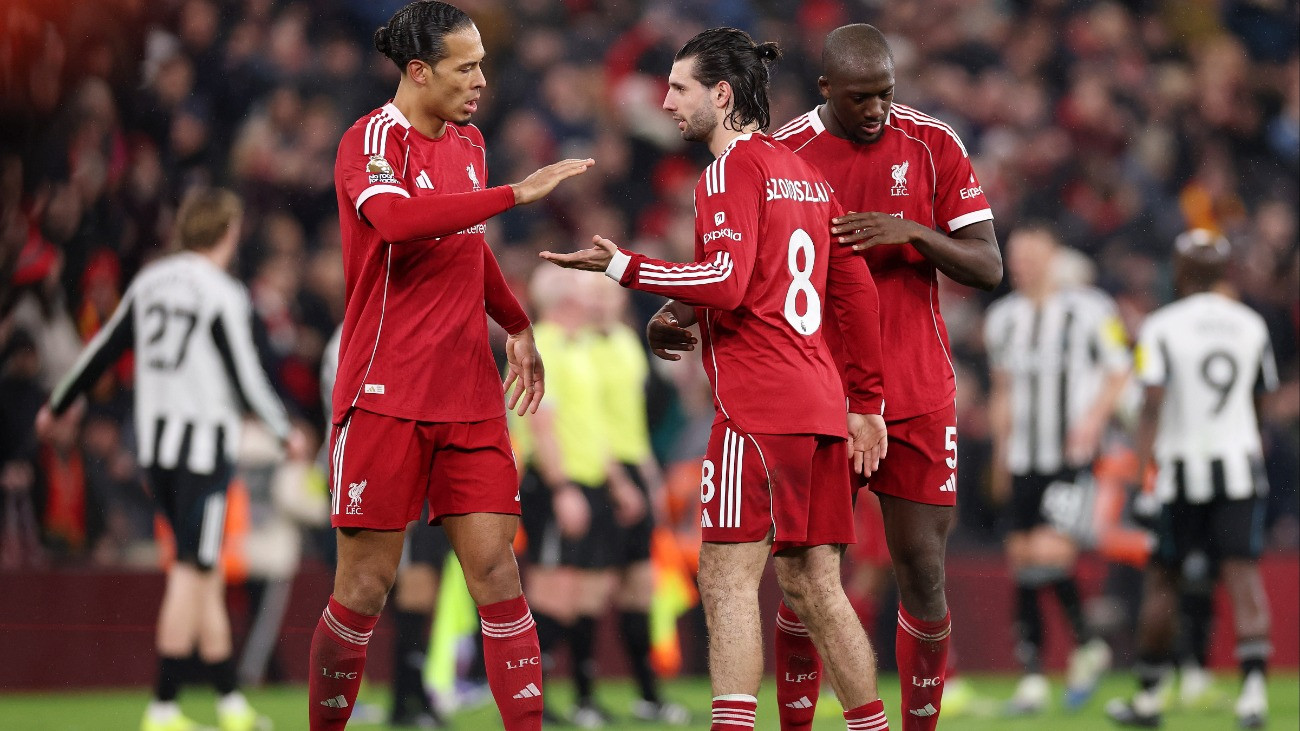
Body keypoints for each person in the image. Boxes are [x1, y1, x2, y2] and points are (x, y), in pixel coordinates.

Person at [648, 23, 1001, 730]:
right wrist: (676, 307)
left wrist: (914, 233)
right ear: (826, 90)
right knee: (804, 580)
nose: (877, 110)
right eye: (862, 98)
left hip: (920, 392)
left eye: (886, 95)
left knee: (922, 572)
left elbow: (989, 266)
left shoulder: (934, 144)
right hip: (820, 396)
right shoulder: (788, 153)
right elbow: (747, 259)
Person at [542, 27, 892, 731]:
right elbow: (853, 292)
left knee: (727, 580)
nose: (665, 101)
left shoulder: (728, 172)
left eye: (679, 88)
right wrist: (868, 403)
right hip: (820, 405)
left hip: (757, 410)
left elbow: (728, 284)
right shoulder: (806, 175)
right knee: (817, 586)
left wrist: (624, 267)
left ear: (722, 95)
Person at [306, 2, 593, 729]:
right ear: (418, 71)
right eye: (466, 67)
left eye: (482, 65)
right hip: (385, 390)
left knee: (498, 573)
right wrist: (514, 194)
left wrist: (518, 322)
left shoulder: (468, 144)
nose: (482, 81)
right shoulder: (369, 140)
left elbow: (465, 242)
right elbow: (399, 221)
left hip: (467, 392)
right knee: (365, 587)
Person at [36, 187, 300, 731]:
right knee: (190, 570)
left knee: (198, 569)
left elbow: (104, 348)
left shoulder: (152, 279)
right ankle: (162, 706)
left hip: (155, 448)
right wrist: (283, 430)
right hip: (202, 449)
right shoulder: (221, 292)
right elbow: (245, 375)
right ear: (227, 232)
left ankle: (229, 702)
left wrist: (58, 403)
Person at [1106, 229, 1278, 729]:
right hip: (1240, 468)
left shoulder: (1163, 326)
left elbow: (1152, 405)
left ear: (1180, 272)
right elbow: (1260, 401)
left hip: (1182, 472)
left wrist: (1140, 478)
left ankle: (1150, 699)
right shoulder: (1250, 324)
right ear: (1224, 272)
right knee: (1243, 576)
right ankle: (1252, 696)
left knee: (1164, 581)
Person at [984, 224, 1128, 713]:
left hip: (1071, 457)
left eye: (1030, 254)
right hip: (1024, 456)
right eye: (1016, 256)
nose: (1021, 264)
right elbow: (1002, 391)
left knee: (1047, 552)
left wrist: (1093, 419)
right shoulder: (1001, 319)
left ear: (1051, 255)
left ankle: (1083, 648)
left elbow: (1120, 368)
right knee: (1023, 560)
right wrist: (1001, 455)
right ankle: (1042, 673)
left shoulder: (1092, 310)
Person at [510, 266, 644, 728]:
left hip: (588, 481)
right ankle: (530, 703)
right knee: (553, 592)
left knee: (587, 591)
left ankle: (579, 698)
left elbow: (592, 424)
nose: (595, 301)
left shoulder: (580, 344)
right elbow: (541, 424)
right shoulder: (542, 345)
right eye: (584, 294)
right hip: (555, 483)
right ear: (566, 300)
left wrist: (617, 480)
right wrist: (563, 487)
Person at [587, 276, 691, 726]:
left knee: (641, 587)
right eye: (601, 297)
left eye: (612, 297)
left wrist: (647, 474)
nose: (608, 304)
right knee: (588, 590)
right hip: (596, 472)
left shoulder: (629, 346)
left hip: (632, 466)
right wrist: (617, 479)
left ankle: (648, 694)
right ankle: (582, 694)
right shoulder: (579, 349)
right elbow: (587, 421)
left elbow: (632, 421)